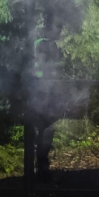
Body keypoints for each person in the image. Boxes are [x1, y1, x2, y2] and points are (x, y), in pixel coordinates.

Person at [30, 31, 62, 183]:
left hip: (48, 106)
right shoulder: (35, 68)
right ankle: (39, 167)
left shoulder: (51, 69)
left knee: (47, 134)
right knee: (39, 135)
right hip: (37, 106)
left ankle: (42, 166)